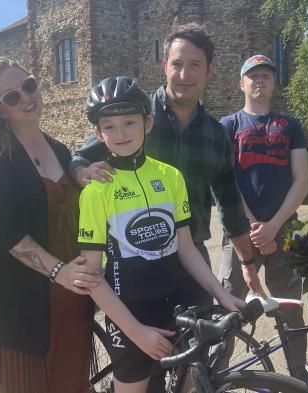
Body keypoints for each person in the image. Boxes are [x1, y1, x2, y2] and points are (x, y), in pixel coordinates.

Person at [75, 76, 246, 393]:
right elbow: (91, 275)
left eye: (129, 122)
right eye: (109, 126)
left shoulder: (170, 176)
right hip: (131, 310)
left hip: (181, 300)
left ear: (148, 122)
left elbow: (186, 248)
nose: (121, 133)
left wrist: (221, 294)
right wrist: (136, 331)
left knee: (190, 382)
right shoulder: (96, 191)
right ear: (97, 134)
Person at [69, 23, 263, 294]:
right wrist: (82, 173)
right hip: (133, 257)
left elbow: (229, 203)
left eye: (195, 64)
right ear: (164, 65)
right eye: (177, 64)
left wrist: (247, 261)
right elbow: (79, 160)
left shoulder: (217, 135)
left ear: (211, 68)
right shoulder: (131, 115)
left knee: (208, 334)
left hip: (190, 253)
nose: (184, 74)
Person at [0, 56, 101, 393]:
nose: (26, 97)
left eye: (29, 85)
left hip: (70, 300)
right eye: (12, 96)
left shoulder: (61, 150)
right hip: (14, 308)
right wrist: (59, 271)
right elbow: (4, 232)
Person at [218, 54, 308, 380]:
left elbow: (302, 180)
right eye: (252, 76)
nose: (259, 81)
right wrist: (254, 225)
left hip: (284, 232)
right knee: (228, 306)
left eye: (265, 76)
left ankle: (298, 378)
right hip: (239, 233)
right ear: (241, 83)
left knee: (290, 308)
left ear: (273, 83)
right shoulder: (228, 126)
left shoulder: (290, 126)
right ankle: (216, 377)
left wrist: (273, 227)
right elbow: (225, 182)